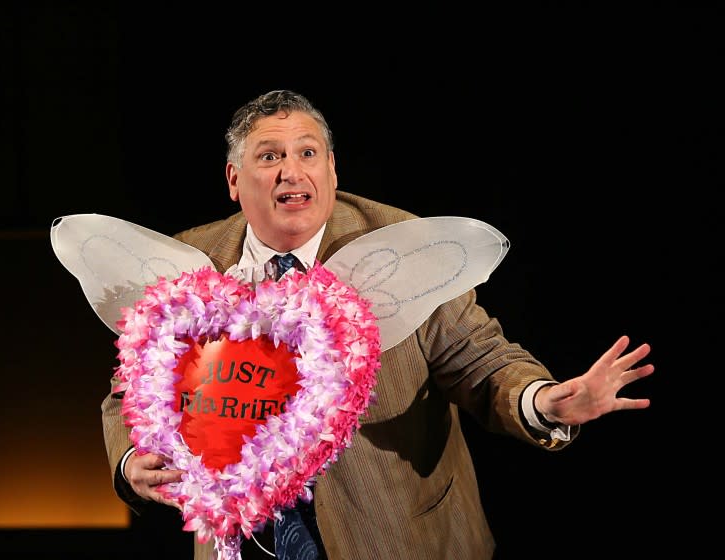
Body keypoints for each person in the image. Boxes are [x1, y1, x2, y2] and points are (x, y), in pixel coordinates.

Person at [100, 89, 654, 560]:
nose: (291, 171)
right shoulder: (189, 262)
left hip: (395, 534)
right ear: (233, 180)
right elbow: (132, 390)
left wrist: (543, 401)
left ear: (332, 170)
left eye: (307, 153)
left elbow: (479, 358)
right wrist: (133, 461)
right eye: (269, 156)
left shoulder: (403, 246)